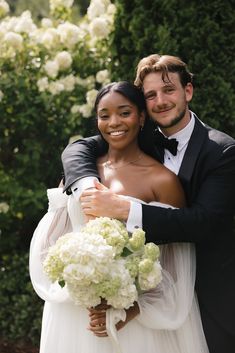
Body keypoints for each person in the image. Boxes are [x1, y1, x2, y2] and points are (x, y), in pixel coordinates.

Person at [61, 55, 235, 353]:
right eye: (151, 95)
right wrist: (88, 188)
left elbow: (204, 223)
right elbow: (80, 147)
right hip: (149, 296)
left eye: (169, 90)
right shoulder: (141, 137)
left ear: (188, 92)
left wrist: (124, 209)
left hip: (211, 297)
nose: (160, 101)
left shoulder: (222, 151)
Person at [30, 81, 209, 353]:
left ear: (141, 117)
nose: (114, 122)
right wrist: (79, 281)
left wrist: (132, 306)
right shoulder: (79, 175)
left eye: (124, 113)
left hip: (136, 322)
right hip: (75, 313)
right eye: (105, 115)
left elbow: (177, 264)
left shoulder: (162, 181)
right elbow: (52, 239)